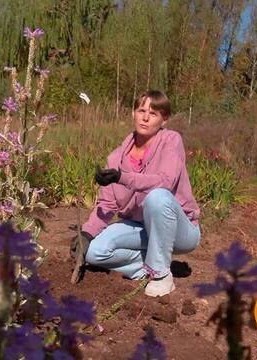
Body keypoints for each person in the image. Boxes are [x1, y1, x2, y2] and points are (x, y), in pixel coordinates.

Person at [70, 90, 200, 297]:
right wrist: (87, 233)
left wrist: (123, 177)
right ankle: (149, 265)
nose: (146, 117)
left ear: (164, 120)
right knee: (95, 252)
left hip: (179, 230)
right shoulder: (115, 159)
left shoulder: (171, 141)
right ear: (133, 114)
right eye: (141, 110)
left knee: (157, 197)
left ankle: (161, 274)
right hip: (140, 229)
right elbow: (107, 204)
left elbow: (165, 182)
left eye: (154, 113)